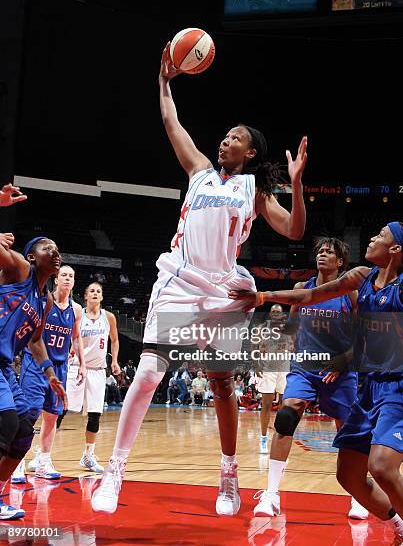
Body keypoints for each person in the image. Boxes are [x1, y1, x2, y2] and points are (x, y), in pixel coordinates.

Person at [91, 42, 307, 517]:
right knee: (148, 373)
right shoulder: (199, 173)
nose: (224, 141)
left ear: (249, 152)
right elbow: (173, 124)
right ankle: (114, 471)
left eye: (234, 137)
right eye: (224, 135)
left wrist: (295, 183)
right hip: (180, 281)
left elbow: (294, 229)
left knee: (223, 384)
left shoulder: (255, 190)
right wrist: (164, 82)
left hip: (225, 289)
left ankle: (228, 473)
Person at [230, 222, 403, 542]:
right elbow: (308, 298)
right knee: (338, 464)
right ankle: (272, 493)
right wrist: (262, 296)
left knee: (379, 463)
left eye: (380, 235)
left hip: (370, 378)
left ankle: (375, 506)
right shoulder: (355, 279)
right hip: (324, 373)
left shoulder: (382, 289)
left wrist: (344, 361)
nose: (371, 237)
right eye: (320, 251)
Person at [0, 206, 67, 519]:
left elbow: (35, 340)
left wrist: (51, 373)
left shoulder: (47, 299)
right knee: (7, 422)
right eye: (46, 247)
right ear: (30, 256)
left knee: (24, 430)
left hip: (3, 365)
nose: (54, 251)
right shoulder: (19, 270)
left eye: (56, 247)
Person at [11, 265, 86, 483]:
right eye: (64, 275)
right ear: (56, 279)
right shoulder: (42, 301)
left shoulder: (76, 309)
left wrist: (82, 364)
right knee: (29, 413)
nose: (67, 279)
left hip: (60, 368)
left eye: (71, 276)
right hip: (36, 366)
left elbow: (77, 338)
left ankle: (44, 460)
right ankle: (16, 463)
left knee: (52, 416)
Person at [66, 281, 120, 473]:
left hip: (97, 370)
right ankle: (43, 454)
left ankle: (88, 456)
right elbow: (70, 337)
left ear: (102, 297)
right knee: (63, 409)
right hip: (77, 367)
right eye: (92, 291)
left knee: (95, 414)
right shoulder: (78, 316)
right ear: (86, 296)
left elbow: (115, 340)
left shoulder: (109, 317)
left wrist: (114, 361)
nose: (95, 293)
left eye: (98, 291)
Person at [256, 304, 292, 454]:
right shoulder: (262, 328)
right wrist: (256, 363)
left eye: (278, 312)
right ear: (270, 314)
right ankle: (263, 439)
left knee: (284, 406)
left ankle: (280, 438)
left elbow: (293, 345)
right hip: (268, 367)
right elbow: (254, 346)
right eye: (273, 312)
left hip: (283, 368)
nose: (276, 314)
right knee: (266, 404)